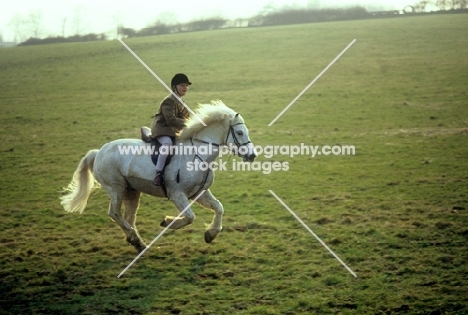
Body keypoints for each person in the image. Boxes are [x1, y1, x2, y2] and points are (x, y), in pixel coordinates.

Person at [151, 73, 191, 186]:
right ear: (174, 87)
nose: (185, 88)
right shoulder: (169, 100)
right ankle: (158, 173)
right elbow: (171, 120)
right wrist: (188, 124)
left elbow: (186, 117)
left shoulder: (181, 102)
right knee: (167, 144)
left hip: (173, 130)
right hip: (162, 129)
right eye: (182, 85)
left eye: (186, 86)